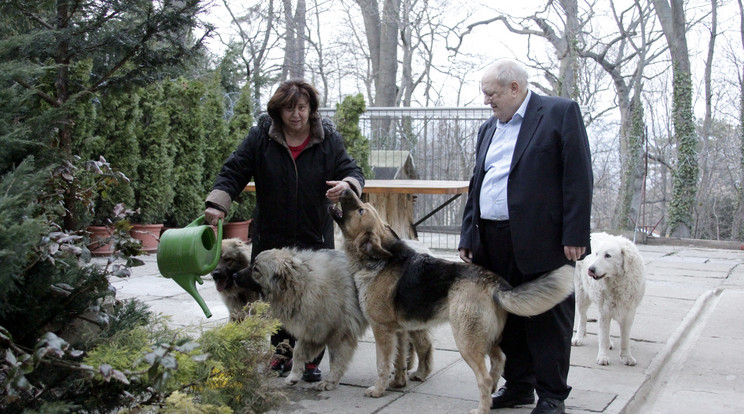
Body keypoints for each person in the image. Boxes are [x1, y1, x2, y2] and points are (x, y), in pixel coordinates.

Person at [204, 79, 365, 383]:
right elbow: (234, 170)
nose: (296, 115)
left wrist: (347, 186)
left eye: (302, 107)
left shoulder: (327, 139)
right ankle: (281, 352)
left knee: (314, 299)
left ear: (311, 109)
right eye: (289, 108)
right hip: (272, 234)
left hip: (312, 234)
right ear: (278, 111)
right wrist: (218, 203)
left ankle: (311, 360)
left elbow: (352, 171)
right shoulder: (261, 138)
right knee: (272, 294)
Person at [458, 59, 593, 414]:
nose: (487, 100)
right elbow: (478, 184)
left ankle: (552, 396)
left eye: (492, 94)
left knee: (549, 320)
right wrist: (468, 234)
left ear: (514, 88)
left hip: (544, 239)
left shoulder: (559, 113)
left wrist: (576, 232)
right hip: (491, 238)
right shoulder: (488, 128)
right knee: (507, 318)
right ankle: (519, 387)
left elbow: (578, 176)